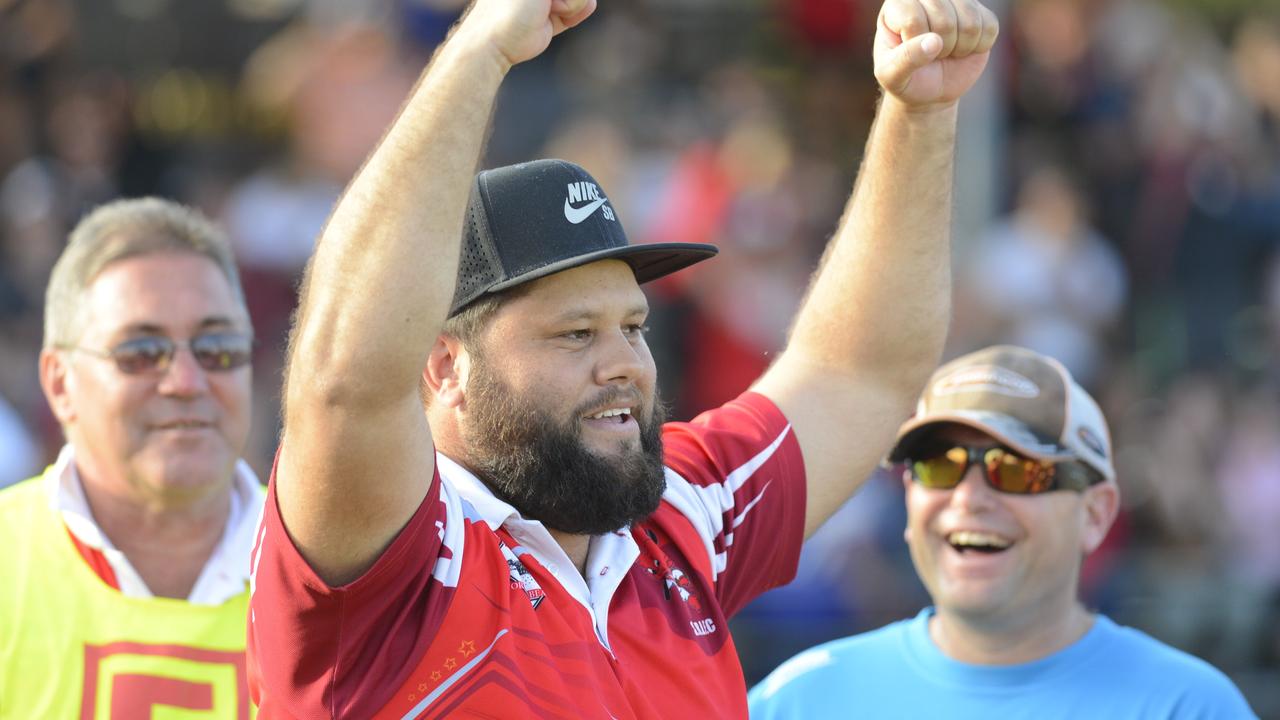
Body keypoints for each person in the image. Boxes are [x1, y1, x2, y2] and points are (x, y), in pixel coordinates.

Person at [246, 0, 998, 716]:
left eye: (632, 327)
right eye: (576, 334)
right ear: (443, 367)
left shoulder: (676, 520)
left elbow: (860, 373)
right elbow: (345, 382)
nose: (625, 364)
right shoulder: (395, 554)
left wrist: (919, 114)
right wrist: (482, 49)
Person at [748, 345, 1259, 719]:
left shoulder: (1188, 707)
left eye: (1014, 468)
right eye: (938, 465)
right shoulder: (799, 699)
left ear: (1097, 513)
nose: (969, 497)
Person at [0, 198, 263, 717]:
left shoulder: (333, 577)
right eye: (141, 353)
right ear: (60, 383)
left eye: (218, 347)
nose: (187, 382)